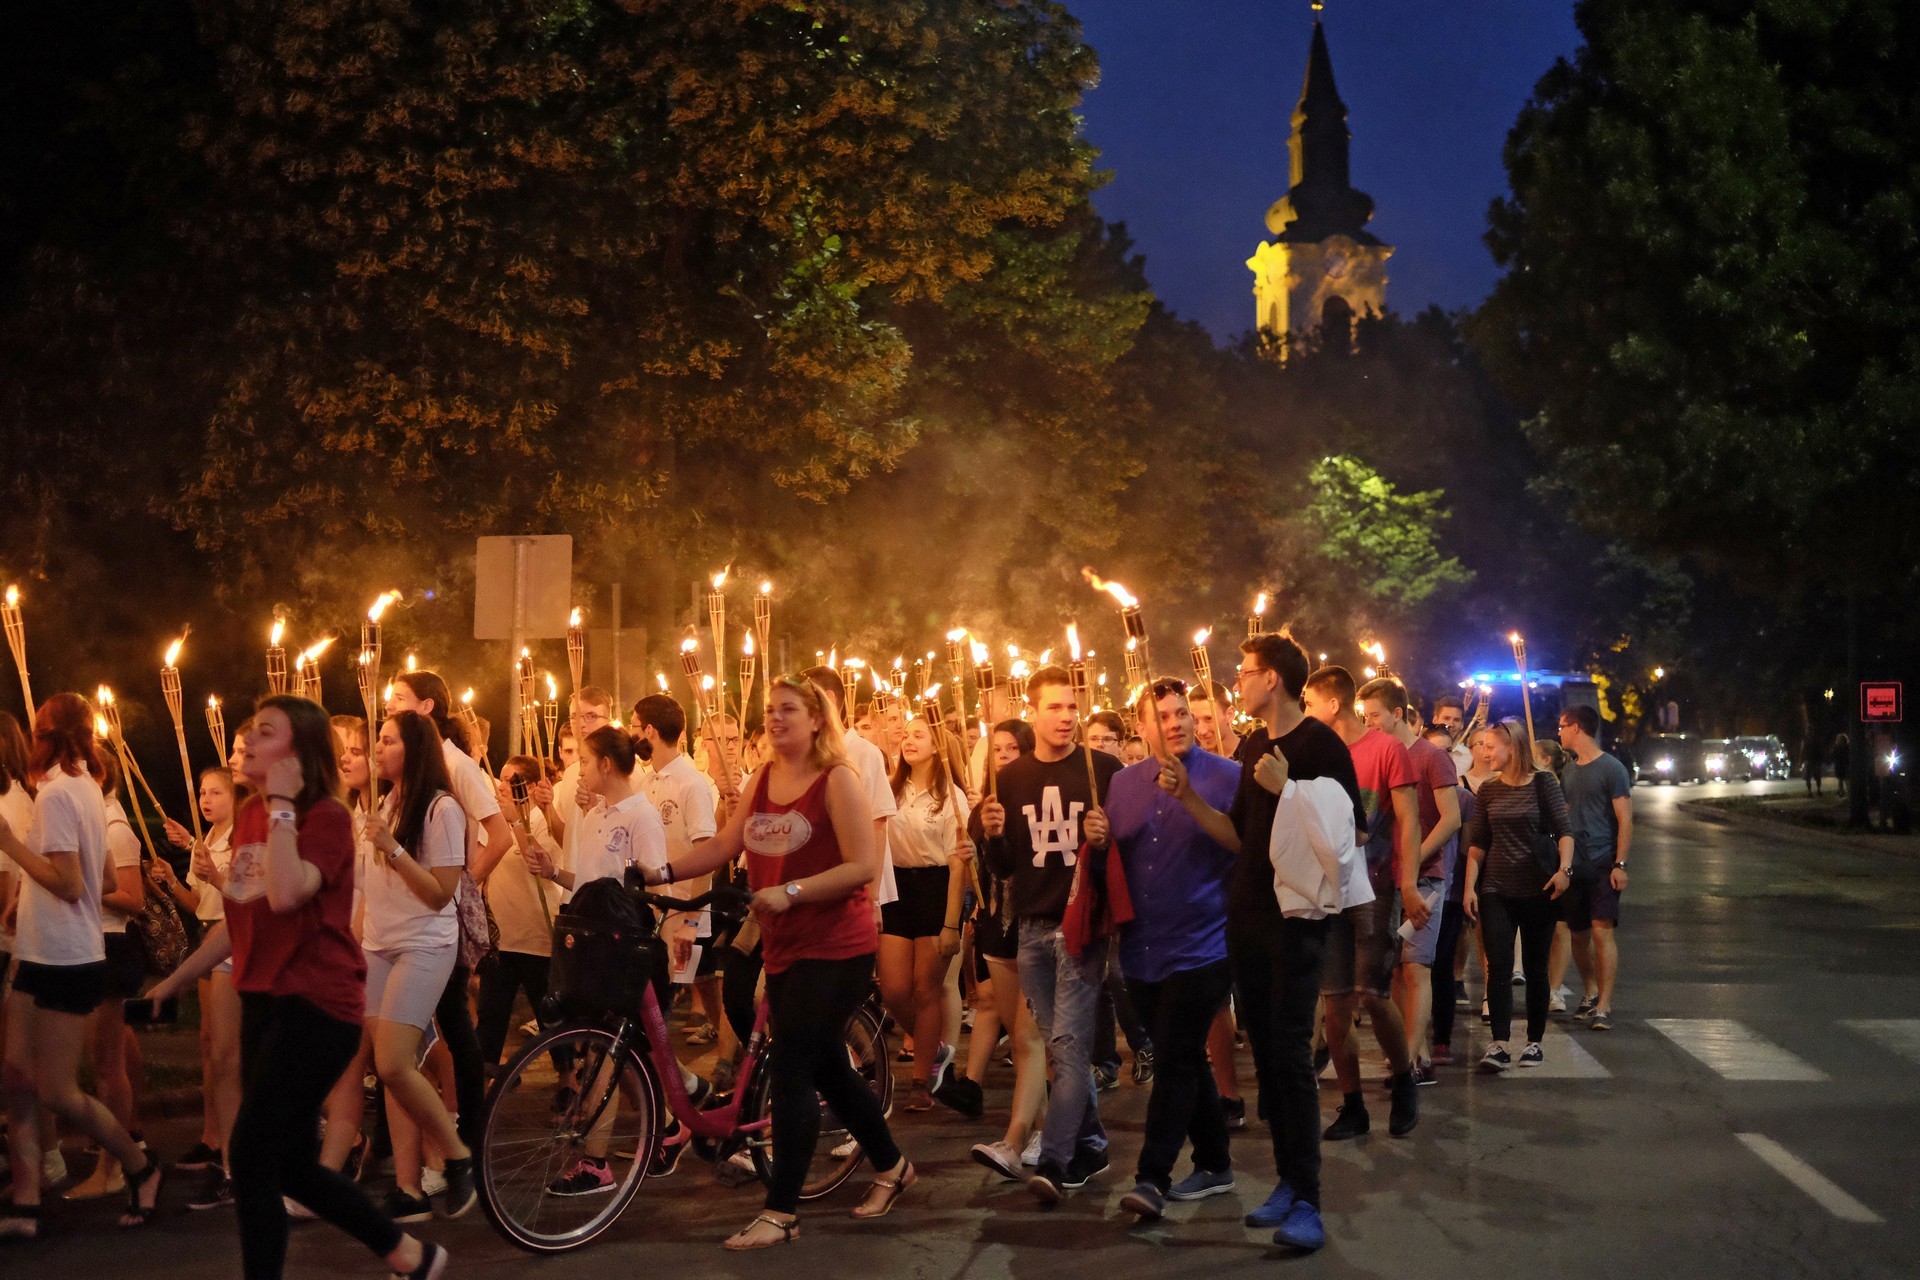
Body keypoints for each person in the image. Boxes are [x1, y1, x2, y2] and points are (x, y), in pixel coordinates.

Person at [146, 695, 446, 1280]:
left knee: (253, 1152)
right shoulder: (252, 815)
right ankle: (410, 1255)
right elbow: (240, 914)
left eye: (266, 732)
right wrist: (176, 980)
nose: (248, 742)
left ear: (298, 751)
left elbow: (285, 895)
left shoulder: (325, 818)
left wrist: (283, 806)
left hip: (318, 1007)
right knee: (289, 1165)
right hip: (266, 1003)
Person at [636, 676, 910, 1250]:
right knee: (829, 1069)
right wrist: (659, 873)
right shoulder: (762, 778)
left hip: (837, 947)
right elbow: (724, 845)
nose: (776, 718)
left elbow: (862, 865)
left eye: (789, 709)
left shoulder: (837, 779)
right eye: (771, 710)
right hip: (782, 945)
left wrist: (792, 892)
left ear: (817, 719)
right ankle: (892, 1165)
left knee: (791, 1068)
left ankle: (780, 1211)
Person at [1162, 632, 1365, 1252]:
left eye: (1245, 671)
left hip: (1296, 921)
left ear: (1272, 678)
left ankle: (1308, 1201)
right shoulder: (1253, 743)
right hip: (1247, 917)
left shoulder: (1320, 745)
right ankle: (1286, 1180)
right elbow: (1240, 837)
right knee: (1269, 1059)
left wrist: (1289, 788)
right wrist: (1188, 796)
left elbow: (1351, 836)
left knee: (1291, 1054)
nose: (1237, 682)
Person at [0, 693, 164, 1239]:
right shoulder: (87, 789)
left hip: (65, 957)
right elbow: (104, 880)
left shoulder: (55, 796)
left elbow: (71, 885)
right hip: (39, 950)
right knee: (16, 1076)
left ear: (46, 735)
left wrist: (11, 846)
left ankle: (139, 1164)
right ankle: (26, 1202)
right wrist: (26, 897)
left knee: (55, 1089)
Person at [978, 664, 1124, 1204]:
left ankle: (1056, 1161)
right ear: (1032, 711)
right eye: (1054, 707)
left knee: (1067, 1044)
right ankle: (1093, 1144)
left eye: (1072, 706)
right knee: (1063, 1049)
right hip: (1032, 928)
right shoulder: (1011, 778)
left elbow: (1124, 853)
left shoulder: (1102, 769)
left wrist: (1104, 839)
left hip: (1081, 925)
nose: (1066, 717)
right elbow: (1004, 869)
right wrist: (993, 837)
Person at [1107, 679, 1240, 1222]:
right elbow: (1115, 856)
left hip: (1206, 942)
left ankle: (1152, 1177)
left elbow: (1243, 844)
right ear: (1142, 727)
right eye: (1162, 715)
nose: (1176, 722)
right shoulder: (1122, 783)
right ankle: (1215, 1163)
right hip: (1141, 948)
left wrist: (1188, 796)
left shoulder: (1227, 776)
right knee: (1181, 1056)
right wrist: (1096, 837)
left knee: (1174, 1058)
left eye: (1182, 712)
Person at [359, 711, 475, 1222]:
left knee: (393, 1063)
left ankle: (457, 1153)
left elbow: (440, 893)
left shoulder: (441, 809)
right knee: (392, 1070)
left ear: (415, 749)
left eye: (387, 741)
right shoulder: (386, 801)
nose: (377, 749)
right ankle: (408, 1189)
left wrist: (392, 847)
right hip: (378, 945)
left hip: (424, 945)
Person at [385, 671, 504, 1156]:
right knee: (428, 1026)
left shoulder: (456, 765)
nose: (388, 706)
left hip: (440, 912)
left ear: (427, 707)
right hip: (408, 918)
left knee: (453, 1022)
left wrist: (460, 886)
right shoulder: (394, 784)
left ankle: (469, 1127)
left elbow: (501, 835)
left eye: (398, 698)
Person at [1302, 666, 1422, 1140]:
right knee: (1334, 1002)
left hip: (1375, 885)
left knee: (1372, 993)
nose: (1305, 712)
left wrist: (1408, 883)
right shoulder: (1315, 753)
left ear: (1333, 704)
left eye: (1310, 703)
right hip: (1329, 889)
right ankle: (1352, 1105)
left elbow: (1409, 821)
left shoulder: (1386, 748)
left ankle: (1404, 1077)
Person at [1359, 679, 1460, 1086]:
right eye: (1364, 717)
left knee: (1417, 967)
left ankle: (1412, 1064)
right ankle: (1414, 1053)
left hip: (1426, 878)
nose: (1368, 724)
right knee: (1397, 970)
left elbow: (1451, 819)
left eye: (1374, 716)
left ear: (1398, 714)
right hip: (1387, 878)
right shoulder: (1377, 755)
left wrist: (1413, 860)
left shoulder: (1432, 757)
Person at [963, 718, 1049, 1178]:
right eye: (996, 749)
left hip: (1034, 925)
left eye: (1012, 748)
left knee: (1033, 1037)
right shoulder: (983, 808)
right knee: (1019, 1037)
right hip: (998, 928)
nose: (1003, 756)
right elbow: (988, 871)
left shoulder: (1038, 800)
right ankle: (1043, 1128)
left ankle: (1027, 1136)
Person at [1462, 719, 1574, 1071]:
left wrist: (1564, 871)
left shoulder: (1543, 783)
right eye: (1482, 746)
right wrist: (1469, 886)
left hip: (1539, 888)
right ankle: (1499, 1043)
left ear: (1512, 747)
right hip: (1496, 888)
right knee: (1498, 966)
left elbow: (1565, 832)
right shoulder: (1488, 790)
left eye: (1490, 746)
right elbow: (1478, 843)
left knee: (1537, 968)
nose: (1485, 753)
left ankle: (1534, 1042)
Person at [161, 768, 244, 1208]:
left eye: (216, 792)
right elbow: (196, 904)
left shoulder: (243, 838)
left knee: (228, 1049)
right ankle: (216, 1139)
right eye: (202, 793)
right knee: (210, 1043)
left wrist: (215, 875)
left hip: (231, 938)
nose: (206, 800)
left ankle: (237, 1153)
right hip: (208, 937)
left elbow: (245, 899)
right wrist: (171, 882)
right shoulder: (206, 840)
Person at [881, 716, 971, 1112]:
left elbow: (958, 865)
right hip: (896, 887)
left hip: (937, 887)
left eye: (919, 734)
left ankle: (921, 1082)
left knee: (925, 988)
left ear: (938, 746)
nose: (909, 740)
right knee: (893, 990)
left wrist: (951, 924)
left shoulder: (951, 796)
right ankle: (935, 1049)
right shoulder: (890, 789)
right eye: (906, 734)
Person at [475, 756, 566, 1074]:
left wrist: (517, 822)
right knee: (490, 1017)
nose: (501, 786)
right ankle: (484, 1086)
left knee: (549, 1016)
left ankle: (568, 1079)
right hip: (502, 938)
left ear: (529, 787)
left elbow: (541, 863)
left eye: (509, 780)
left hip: (537, 937)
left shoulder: (543, 818)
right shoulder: (494, 821)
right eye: (500, 778)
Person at [1555, 706, 1633, 1031]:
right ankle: (1590, 992)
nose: (1559, 731)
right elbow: (1564, 813)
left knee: (1602, 930)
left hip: (1603, 861)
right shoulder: (1569, 771)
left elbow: (1624, 819)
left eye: (1562, 726)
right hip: (1575, 864)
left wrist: (1620, 864)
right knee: (1577, 934)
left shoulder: (1612, 769)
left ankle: (1604, 1004)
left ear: (1576, 728)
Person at [1189, 680, 1241, 760]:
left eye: (1208, 719)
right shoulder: (1192, 762)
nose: (1202, 731)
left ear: (1229, 715)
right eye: (1195, 721)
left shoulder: (1254, 754)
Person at [1431, 695, 1472, 777]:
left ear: (1462, 724)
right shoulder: (1420, 750)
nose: (1451, 724)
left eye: (1456, 720)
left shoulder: (1469, 758)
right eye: (1446, 718)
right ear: (1435, 720)